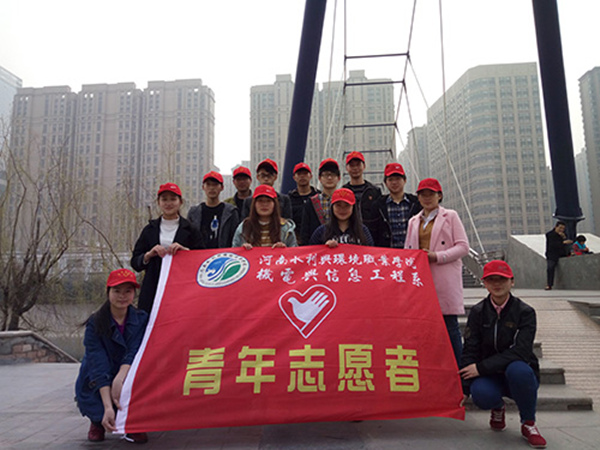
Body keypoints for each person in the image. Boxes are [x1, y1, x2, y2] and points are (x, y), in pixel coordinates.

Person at [460, 260, 546, 449]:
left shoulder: (525, 312)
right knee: (481, 394)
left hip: (516, 371)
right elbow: (471, 348)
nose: (497, 284)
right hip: (490, 375)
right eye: (491, 280)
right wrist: (464, 388)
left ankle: (528, 423)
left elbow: (521, 351)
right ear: (484, 283)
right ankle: (497, 407)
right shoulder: (478, 312)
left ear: (512, 282)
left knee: (519, 371)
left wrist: (481, 367)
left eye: (502, 279)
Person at [75, 269, 149, 444]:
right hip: (98, 374)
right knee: (95, 395)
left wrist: (121, 378)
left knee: (142, 380)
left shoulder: (141, 319)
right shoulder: (95, 322)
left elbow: (134, 351)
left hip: (127, 370)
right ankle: (97, 422)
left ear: (134, 294)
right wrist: (108, 406)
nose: (122, 296)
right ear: (108, 292)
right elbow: (97, 362)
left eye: (128, 291)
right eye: (117, 291)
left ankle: (132, 422)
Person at [404, 178, 469, 364]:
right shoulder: (413, 221)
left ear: (439, 196)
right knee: (424, 326)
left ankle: (459, 370)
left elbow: (463, 247)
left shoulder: (451, 216)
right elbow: (408, 249)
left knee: (450, 326)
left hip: (444, 276)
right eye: (423, 194)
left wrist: (437, 256)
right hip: (422, 279)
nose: (427, 198)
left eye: (431, 194)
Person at [131, 183, 201, 313]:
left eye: (173, 199)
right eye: (164, 199)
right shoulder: (149, 229)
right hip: (153, 288)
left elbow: (202, 259)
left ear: (180, 202)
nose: (168, 203)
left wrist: (185, 251)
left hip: (182, 289)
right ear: (158, 202)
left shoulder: (191, 229)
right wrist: (148, 255)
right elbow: (135, 262)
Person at [369, 162, 422, 248]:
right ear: (385, 183)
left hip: (412, 252)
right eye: (390, 180)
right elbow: (373, 232)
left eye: (398, 179)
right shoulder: (378, 206)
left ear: (405, 180)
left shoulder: (416, 203)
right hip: (388, 253)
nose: (394, 182)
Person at [232, 184, 297, 249]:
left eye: (268, 201)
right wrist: (242, 249)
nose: (264, 204)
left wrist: (285, 249)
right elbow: (234, 251)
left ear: (275, 204)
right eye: (260, 201)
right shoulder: (243, 227)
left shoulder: (286, 227)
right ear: (254, 204)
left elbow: (295, 251)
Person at [188, 171, 239, 248]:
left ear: (222, 187)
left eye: (215, 184)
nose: (212, 188)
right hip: (199, 254)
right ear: (203, 187)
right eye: (208, 184)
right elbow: (188, 237)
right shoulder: (194, 212)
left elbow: (235, 238)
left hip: (223, 254)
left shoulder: (231, 212)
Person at [309, 188, 374, 247]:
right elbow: (311, 252)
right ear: (332, 207)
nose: (342, 209)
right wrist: (324, 248)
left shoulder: (363, 231)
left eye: (347, 205)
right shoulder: (321, 231)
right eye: (338, 205)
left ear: (353, 208)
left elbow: (371, 253)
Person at [300, 158, 341, 245]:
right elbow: (305, 233)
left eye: (333, 174)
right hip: (317, 248)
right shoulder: (311, 203)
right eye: (325, 175)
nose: (329, 178)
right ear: (319, 178)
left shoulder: (345, 202)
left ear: (339, 178)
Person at [342, 151, 381, 230]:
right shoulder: (343, 192)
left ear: (364, 166)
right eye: (352, 165)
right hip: (350, 234)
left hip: (371, 234)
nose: (355, 168)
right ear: (347, 168)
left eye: (358, 165)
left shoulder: (374, 191)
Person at [287, 162, 319, 245]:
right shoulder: (289, 199)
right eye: (299, 174)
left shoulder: (318, 196)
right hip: (295, 241)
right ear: (294, 177)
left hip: (317, 240)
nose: (302, 176)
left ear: (310, 176)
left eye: (305, 173)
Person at [544, 221, 572, 290]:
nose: (561, 230)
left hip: (562, 254)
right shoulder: (550, 234)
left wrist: (564, 238)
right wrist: (563, 242)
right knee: (550, 268)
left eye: (563, 228)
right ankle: (549, 284)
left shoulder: (564, 235)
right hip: (552, 255)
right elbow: (553, 245)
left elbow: (569, 242)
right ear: (556, 227)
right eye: (560, 228)